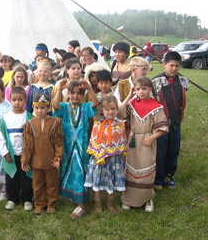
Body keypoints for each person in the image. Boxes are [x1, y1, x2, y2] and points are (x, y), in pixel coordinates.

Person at [119, 76, 168, 212]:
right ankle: (129, 198)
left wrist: (152, 137)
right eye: (138, 89)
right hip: (133, 140)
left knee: (146, 167)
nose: (141, 92)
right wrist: (129, 96)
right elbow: (120, 113)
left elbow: (163, 128)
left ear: (150, 89)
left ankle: (147, 198)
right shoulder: (132, 103)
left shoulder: (156, 107)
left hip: (147, 141)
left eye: (144, 89)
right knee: (131, 166)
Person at [53, 79, 99, 218]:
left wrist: (90, 89)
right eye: (72, 93)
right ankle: (73, 196)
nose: (75, 96)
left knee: (80, 172)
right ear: (68, 94)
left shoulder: (85, 107)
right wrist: (59, 90)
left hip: (81, 147)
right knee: (68, 171)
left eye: (79, 93)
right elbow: (55, 106)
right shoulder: (64, 107)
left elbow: (96, 104)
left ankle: (81, 205)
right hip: (67, 147)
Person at [152, 51, 189, 191]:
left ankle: (169, 176)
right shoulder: (155, 82)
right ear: (164, 64)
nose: (174, 69)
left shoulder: (183, 81)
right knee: (160, 151)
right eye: (171, 65)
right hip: (161, 124)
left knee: (174, 150)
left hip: (175, 122)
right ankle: (158, 178)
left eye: (177, 66)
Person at [85, 95, 128, 214]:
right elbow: (94, 140)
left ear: (117, 109)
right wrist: (98, 154)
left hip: (114, 160)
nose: (110, 112)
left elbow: (122, 143)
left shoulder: (120, 125)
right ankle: (97, 203)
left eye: (113, 109)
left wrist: (122, 157)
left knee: (112, 182)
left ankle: (110, 203)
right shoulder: (97, 123)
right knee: (97, 181)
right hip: (99, 159)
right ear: (102, 110)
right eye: (107, 109)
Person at [21, 94, 63, 215]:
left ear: (48, 107)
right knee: (37, 184)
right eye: (37, 108)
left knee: (52, 184)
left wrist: (57, 158)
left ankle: (51, 203)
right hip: (36, 162)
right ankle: (39, 203)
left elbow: (58, 143)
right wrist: (25, 160)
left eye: (43, 108)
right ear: (33, 107)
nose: (40, 111)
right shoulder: (30, 124)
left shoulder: (55, 123)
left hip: (50, 162)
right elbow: (27, 144)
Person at [0, 87, 34, 211]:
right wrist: (5, 152)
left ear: (25, 101)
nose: (17, 102)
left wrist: (29, 154)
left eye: (20, 100)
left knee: (26, 178)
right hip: (11, 155)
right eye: (14, 100)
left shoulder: (29, 117)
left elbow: (32, 138)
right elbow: (2, 137)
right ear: (10, 100)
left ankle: (27, 199)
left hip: (25, 155)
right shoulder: (6, 118)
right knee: (11, 178)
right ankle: (12, 198)